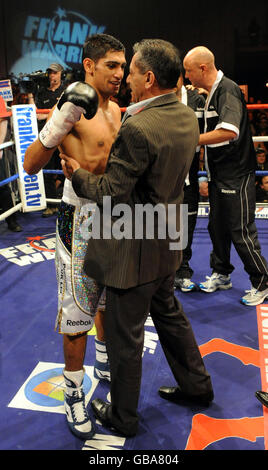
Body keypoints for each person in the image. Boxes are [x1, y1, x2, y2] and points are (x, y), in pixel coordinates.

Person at [61, 39, 214, 437]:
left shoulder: (140, 125)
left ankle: (123, 417)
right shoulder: (184, 115)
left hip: (136, 246)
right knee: (170, 316)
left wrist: (77, 173)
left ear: (148, 78)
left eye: (130, 71)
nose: (124, 78)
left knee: (126, 336)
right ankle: (198, 386)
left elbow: (111, 190)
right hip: (169, 237)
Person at [24, 34, 127, 440]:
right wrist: (60, 122)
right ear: (89, 66)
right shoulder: (71, 109)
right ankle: (71, 393)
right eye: (111, 66)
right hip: (78, 218)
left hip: (114, 216)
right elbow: (31, 164)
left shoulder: (117, 109)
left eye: (123, 65)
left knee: (108, 296)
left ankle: (103, 358)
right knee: (77, 312)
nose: (119, 73)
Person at [183, 46, 268, 306]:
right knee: (217, 227)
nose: (186, 77)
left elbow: (229, 130)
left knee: (240, 229)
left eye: (188, 71)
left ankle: (262, 282)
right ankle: (221, 274)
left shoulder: (227, 89)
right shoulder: (212, 92)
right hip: (219, 173)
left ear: (203, 68)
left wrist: (192, 140)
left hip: (236, 173)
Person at [174, 74, 205, 291]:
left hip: (189, 174)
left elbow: (209, 132)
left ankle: (183, 269)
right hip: (164, 174)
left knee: (188, 224)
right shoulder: (156, 98)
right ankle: (164, 270)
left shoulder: (196, 99)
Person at [28, 63, 66, 217]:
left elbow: (63, 111)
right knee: (47, 171)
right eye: (50, 73)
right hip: (48, 137)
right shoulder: (42, 92)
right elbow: (34, 113)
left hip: (64, 137)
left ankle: (64, 201)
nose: (52, 76)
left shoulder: (65, 91)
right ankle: (52, 205)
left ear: (61, 74)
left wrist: (46, 115)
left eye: (55, 73)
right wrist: (30, 94)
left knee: (66, 169)